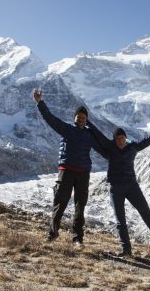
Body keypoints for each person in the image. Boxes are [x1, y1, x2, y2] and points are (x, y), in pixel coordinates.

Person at [88, 122, 150, 256]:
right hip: (116, 188)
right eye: (118, 139)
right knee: (120, 220)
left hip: (132, 186)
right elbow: (98, 135)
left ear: (126, 138)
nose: (121, 141)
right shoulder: (110, 147)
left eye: (122, 138)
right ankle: (126, 249)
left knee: (147, 213)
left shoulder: (133, 147)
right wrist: (87, 122)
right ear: (114, 140)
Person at [33, 88, 102, 245]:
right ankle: (52, 233)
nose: (81, 119)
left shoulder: (90, 135)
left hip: (83, 174)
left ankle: (77, 238)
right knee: (60, 203)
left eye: (84, 117)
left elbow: (103, 148)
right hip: (66, 171)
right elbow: (50, 119)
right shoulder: (67, 129)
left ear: (87, 120)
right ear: (75, 118)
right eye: (79, 117)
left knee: (80, 207)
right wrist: (39, 102)